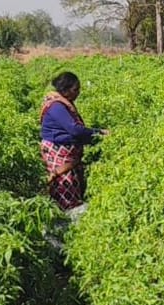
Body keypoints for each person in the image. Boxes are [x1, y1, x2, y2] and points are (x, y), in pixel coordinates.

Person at [40, 71, 108, 220]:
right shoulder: (57, 106)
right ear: (65, 90)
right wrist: (99, 134)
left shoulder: (61, 104)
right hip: (59, 152)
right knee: (64, 185)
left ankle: (66, 218)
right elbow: (75, 130)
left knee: (69, 184)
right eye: (75, 89)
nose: (78, 93)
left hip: (67, 153)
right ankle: (66, 222)